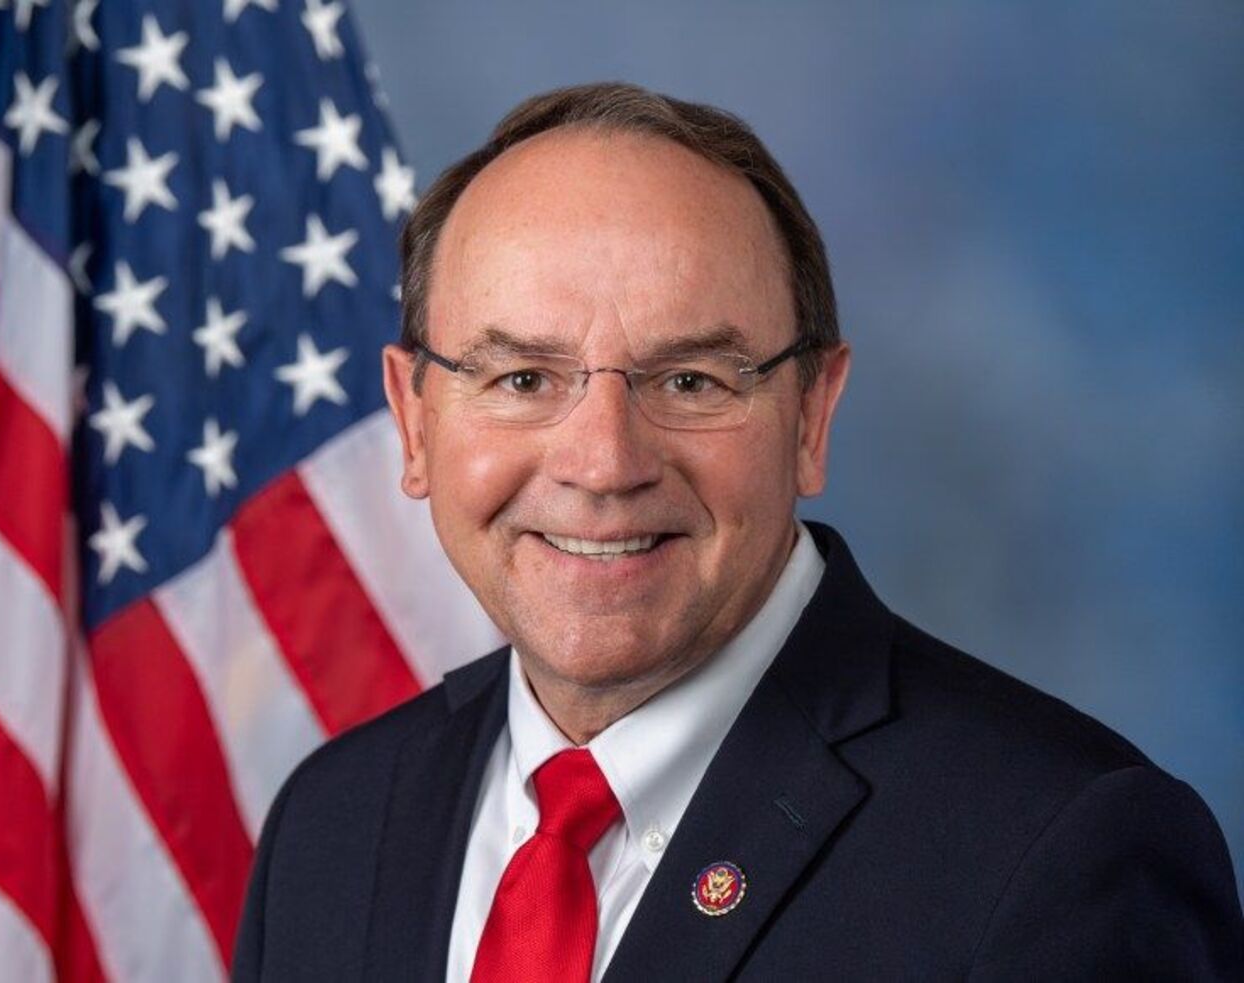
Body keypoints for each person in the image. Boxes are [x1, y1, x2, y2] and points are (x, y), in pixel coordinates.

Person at [232, 83, 1242, 981]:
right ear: (415, 422)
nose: (603, 462)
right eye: (522, 378)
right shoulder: (334, 823)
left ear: (810, 417)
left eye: (690, 380)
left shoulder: (1064, 851)